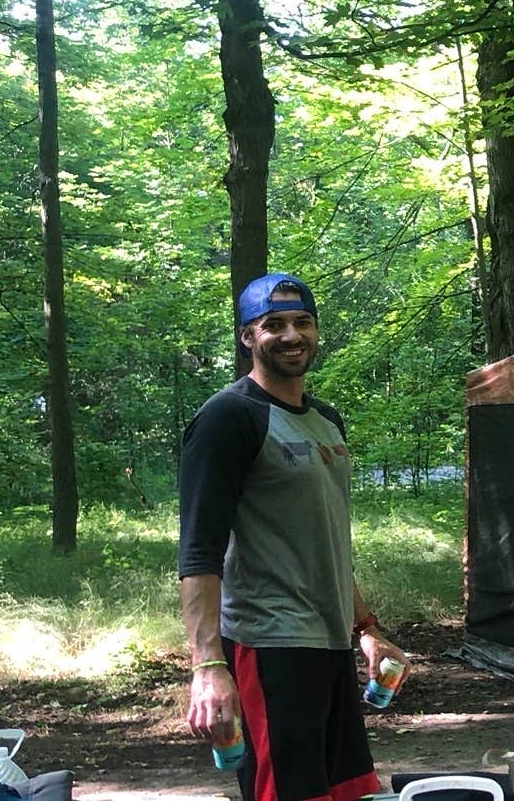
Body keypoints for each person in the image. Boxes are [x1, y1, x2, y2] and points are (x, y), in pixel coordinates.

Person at [178, 273, 408, 801]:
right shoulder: (228, 417)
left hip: (327, 644)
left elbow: (324, 540)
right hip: (269, 644)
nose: (291, 335)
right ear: (247, 337)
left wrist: (366, 628)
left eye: (302, 322)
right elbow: (199, 553)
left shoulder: (327, 421)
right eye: (273, 325)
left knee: (348, 792)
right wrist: (208, 666)